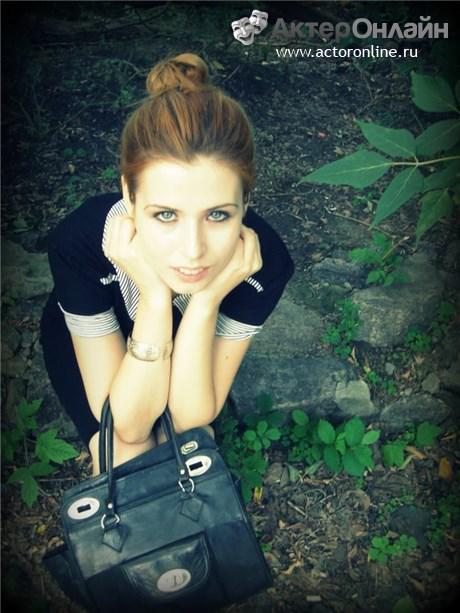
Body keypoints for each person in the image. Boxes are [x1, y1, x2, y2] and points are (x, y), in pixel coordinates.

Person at [39, 52, 294, 476]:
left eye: (218, 214)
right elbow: (127, 425)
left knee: (189, 451)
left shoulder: (264, 264)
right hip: (96, 345)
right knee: (125, 460)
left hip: (193, 348)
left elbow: (189, 417)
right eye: (166, 215)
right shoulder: (80, 244)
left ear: (246, 201)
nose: (192, 250)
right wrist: (155, 297)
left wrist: (207, 299)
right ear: (129, 194)